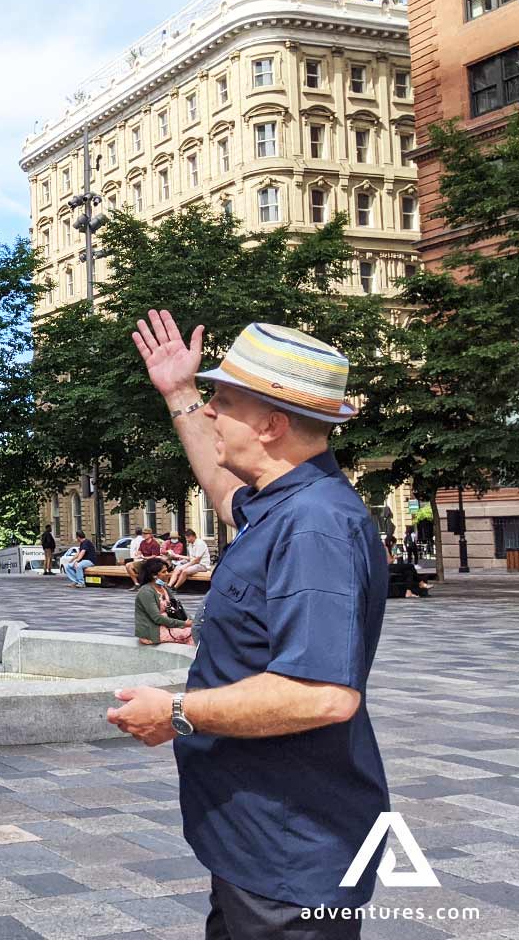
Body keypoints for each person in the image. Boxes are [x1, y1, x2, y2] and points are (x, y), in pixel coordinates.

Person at [110, 313, 390, 935]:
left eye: (222, 400)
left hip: (290, 854)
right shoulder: (281, 503)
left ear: (271, 425)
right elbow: (217, 483)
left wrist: (177, 712)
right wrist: (178, 393)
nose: (210, 413)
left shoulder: (314, 525)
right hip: (257, 842)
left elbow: (321, 696)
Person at [135, 559, 194, 646]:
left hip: (168, 625)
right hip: (153, 631)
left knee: (199, 629)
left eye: (167, 571)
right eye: (164, 572)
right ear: (154, 575)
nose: (167, 574)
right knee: (192, 634)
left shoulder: (164, 587)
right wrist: (184, 624)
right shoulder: (146, 592)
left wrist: (189, 620)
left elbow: (177, 607)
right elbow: (157, 618)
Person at [386, 536, 427, 600]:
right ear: (391, 542)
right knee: (410, 566)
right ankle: (421, 582)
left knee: (409, 572)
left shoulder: (386, 548)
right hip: (388, 567)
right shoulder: (385, 548)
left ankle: (408, 592)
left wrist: (394, 556)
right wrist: (395, 557)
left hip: (389, 567)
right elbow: (389, 561)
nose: (394, 545)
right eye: (394, 544)